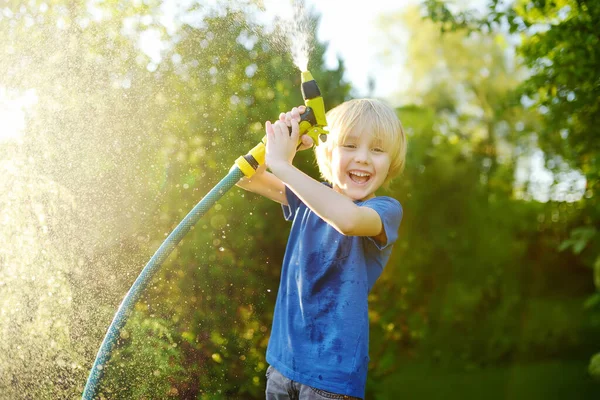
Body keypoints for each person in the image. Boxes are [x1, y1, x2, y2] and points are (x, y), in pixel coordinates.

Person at [237, 98, 407, 399]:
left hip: (331, 378)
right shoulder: (308, 196)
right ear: (327, 151)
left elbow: (348, 220)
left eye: (377, 149)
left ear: (391, 162)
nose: (364, 158)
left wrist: (282, 164)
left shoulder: (384, 210)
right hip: (282, 365)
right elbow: (245, 178)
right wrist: (279, 142)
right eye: (350, 146)